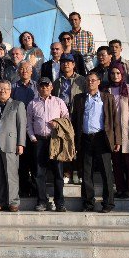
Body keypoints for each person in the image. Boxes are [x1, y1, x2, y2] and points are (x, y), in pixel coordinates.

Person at [72, 72, 121, 213]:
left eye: (93, 80)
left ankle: (108, 203)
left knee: (106, 173)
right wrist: (75, 141)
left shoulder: (107, 98)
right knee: (86, 173)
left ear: (99, 82)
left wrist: (117, 139)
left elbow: (115, 120)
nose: (90, 83)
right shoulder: (79, 98)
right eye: (88, 80)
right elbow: (75, 120)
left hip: (102, 138)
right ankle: (88, 203)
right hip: (85, 138)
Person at [27, 77, 69, 212]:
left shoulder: (59, 102)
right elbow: (28, 122)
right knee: (39, 173)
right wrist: (32, 136)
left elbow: (67, 118)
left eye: (47, 86)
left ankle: (60, 202)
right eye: (41, 86)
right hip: (39, 140)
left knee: (58, 172)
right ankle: (42, 201)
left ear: (51, 87)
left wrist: (58, 124)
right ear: (38, 88)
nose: (44, 88)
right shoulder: (32, 103)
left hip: (55, 140)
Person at [0, 80, 26, 212]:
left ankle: (13, 202)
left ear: (10, 91)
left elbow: (21, 125)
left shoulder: (17, 105)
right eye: (0, 88)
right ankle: (1, 201)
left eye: (5, 88)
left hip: (11, 143)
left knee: (11, 174)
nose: (2, 91)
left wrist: (21, 143)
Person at [52, 53, 86, 184]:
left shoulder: (81, 80)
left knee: (79, 144)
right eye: (63, 62)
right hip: (63, 118)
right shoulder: (57, 82)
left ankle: (79, 172)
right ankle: (68, 172)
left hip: (77, 115)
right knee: (65, 144)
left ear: (73, 64)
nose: (66, 64)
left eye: (68, 62)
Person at [108, 63, 129, 199]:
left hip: (126, 129)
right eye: (113, 73)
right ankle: (120, 188)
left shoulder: (128, 88)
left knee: (128, 161)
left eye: (118, 73)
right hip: (113, 130)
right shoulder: (107, 90)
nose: (115, 76)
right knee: (116, 161)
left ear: (122, 74)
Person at [11, 62, 39, 198]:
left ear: (31, 71)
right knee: (21, 161)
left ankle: (35, 188)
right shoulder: (13, 87)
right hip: (19, 128)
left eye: (27, 69)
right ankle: (24, 188)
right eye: (21, 68)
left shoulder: (37, 86)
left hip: (35, 128)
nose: (24, 71)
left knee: (35, 160)